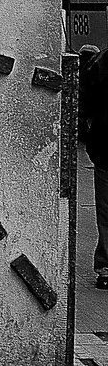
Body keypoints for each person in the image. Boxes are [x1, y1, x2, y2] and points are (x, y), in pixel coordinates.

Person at [79, 44, 108, 290]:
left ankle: (107, 266)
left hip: (106, 147)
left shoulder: (101, 63)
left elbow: (85, 103)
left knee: (107, 211)